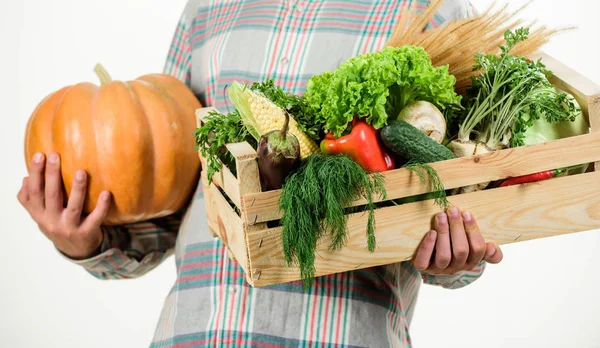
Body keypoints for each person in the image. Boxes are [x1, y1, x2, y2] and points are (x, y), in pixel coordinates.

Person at [17, 0, 504, 346]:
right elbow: (171, 198)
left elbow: (458, 192)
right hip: (198, 333)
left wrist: (457, 256)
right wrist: (84, 241)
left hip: (342, 335)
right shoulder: (209, 9)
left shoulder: (434, 13)